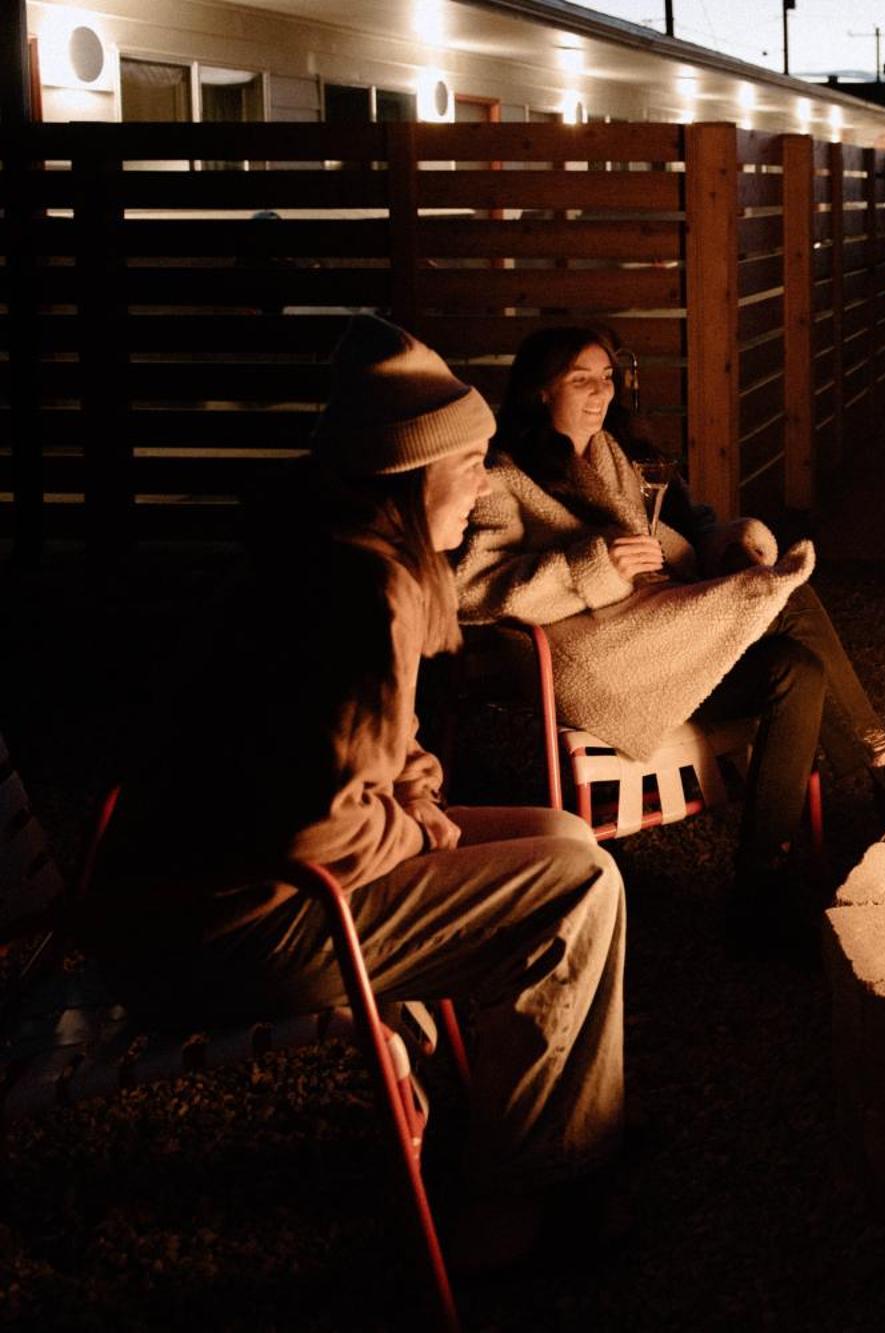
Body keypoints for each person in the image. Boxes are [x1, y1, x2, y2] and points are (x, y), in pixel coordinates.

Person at [89, 315, 628, 1267]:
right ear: (408, 471)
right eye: (468, 464)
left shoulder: (348, 560)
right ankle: (525, 1200)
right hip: (230, 926)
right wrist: (423, 835)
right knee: (577, 887)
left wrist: (419, 804)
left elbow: (390, 745)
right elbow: (320, 824)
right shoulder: (356, 592)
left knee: (559, 833)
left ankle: (538, 1127)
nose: (482, 482)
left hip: (224, 891)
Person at [452, 326, 885, 924]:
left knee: (794, 668)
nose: (599, 393)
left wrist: (728, 547)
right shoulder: (504, 476)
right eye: (580, 380)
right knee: (787, 600)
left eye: (605, 377)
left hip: (660, 635)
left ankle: (762, 885)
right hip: (602, 660)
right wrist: (590, 567)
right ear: (540, 391)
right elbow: (472, 590)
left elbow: (689, 527)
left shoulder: (618, 454)